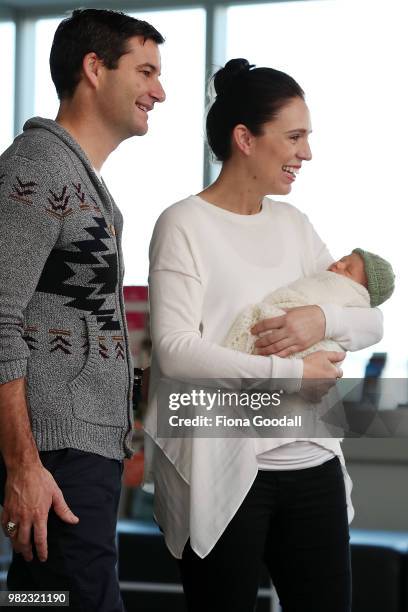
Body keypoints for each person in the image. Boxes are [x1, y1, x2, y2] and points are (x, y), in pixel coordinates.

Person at [145, 59, 384, 612]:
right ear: (245, 138)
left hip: (313, 466)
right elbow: (178, 350)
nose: (307, 153)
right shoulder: (183, 224)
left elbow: (369, 318)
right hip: (227, 471)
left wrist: (318, 322)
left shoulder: (294, 224)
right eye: (295, 137)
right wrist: (293, 373)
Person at [0, 8, 165, 611]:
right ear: (95, 68)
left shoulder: (74, 177)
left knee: (38, 603)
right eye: (145, 71)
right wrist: (24, 465)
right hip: (55, 459)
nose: (160, 90)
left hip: (74, 456)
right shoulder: (37, 170)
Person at [224, 248, 395, 355]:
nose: (338, 265)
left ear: (361, 289)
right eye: (342, 259)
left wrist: (325, 319)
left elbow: (374, 324)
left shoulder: (346, 292)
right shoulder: (325, 270)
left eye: (348, 269)